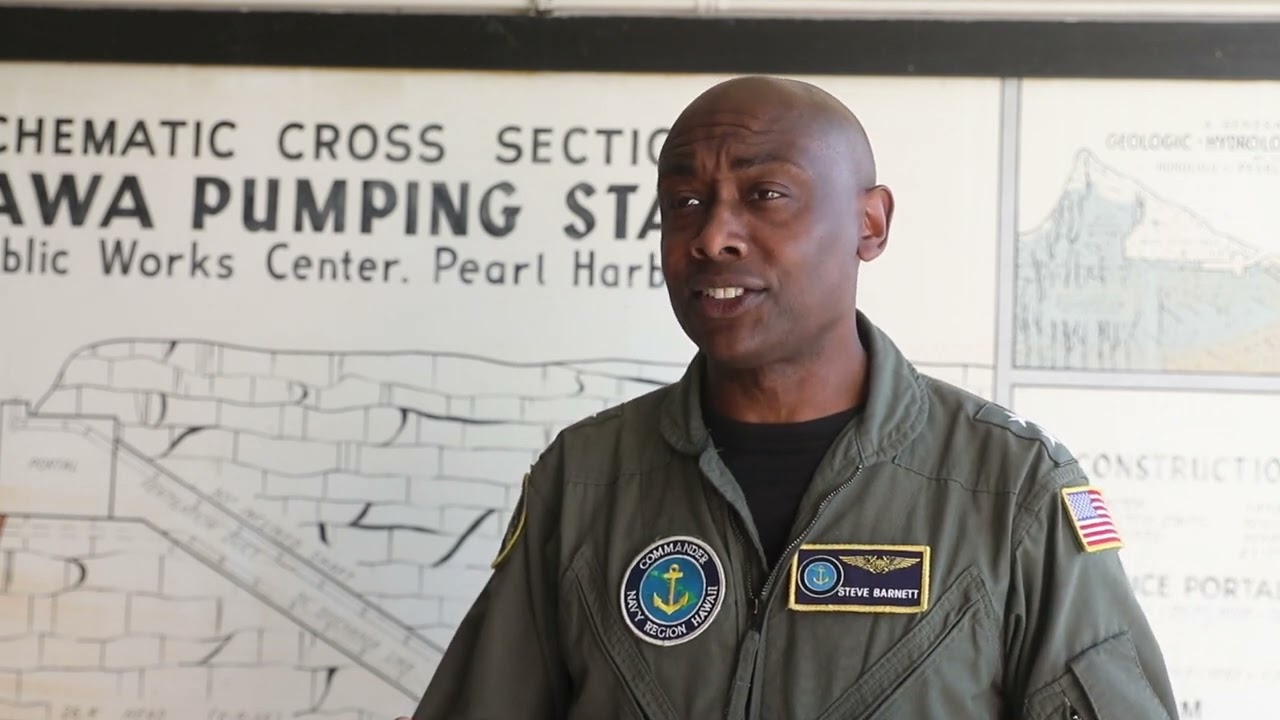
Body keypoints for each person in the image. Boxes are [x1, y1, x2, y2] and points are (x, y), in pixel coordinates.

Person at [403, 75, 1179, 719]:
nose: (712, 237)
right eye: (685, 203)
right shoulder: (587, 480)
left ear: (868, 224)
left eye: (766, 194)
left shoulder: (1009, 491)